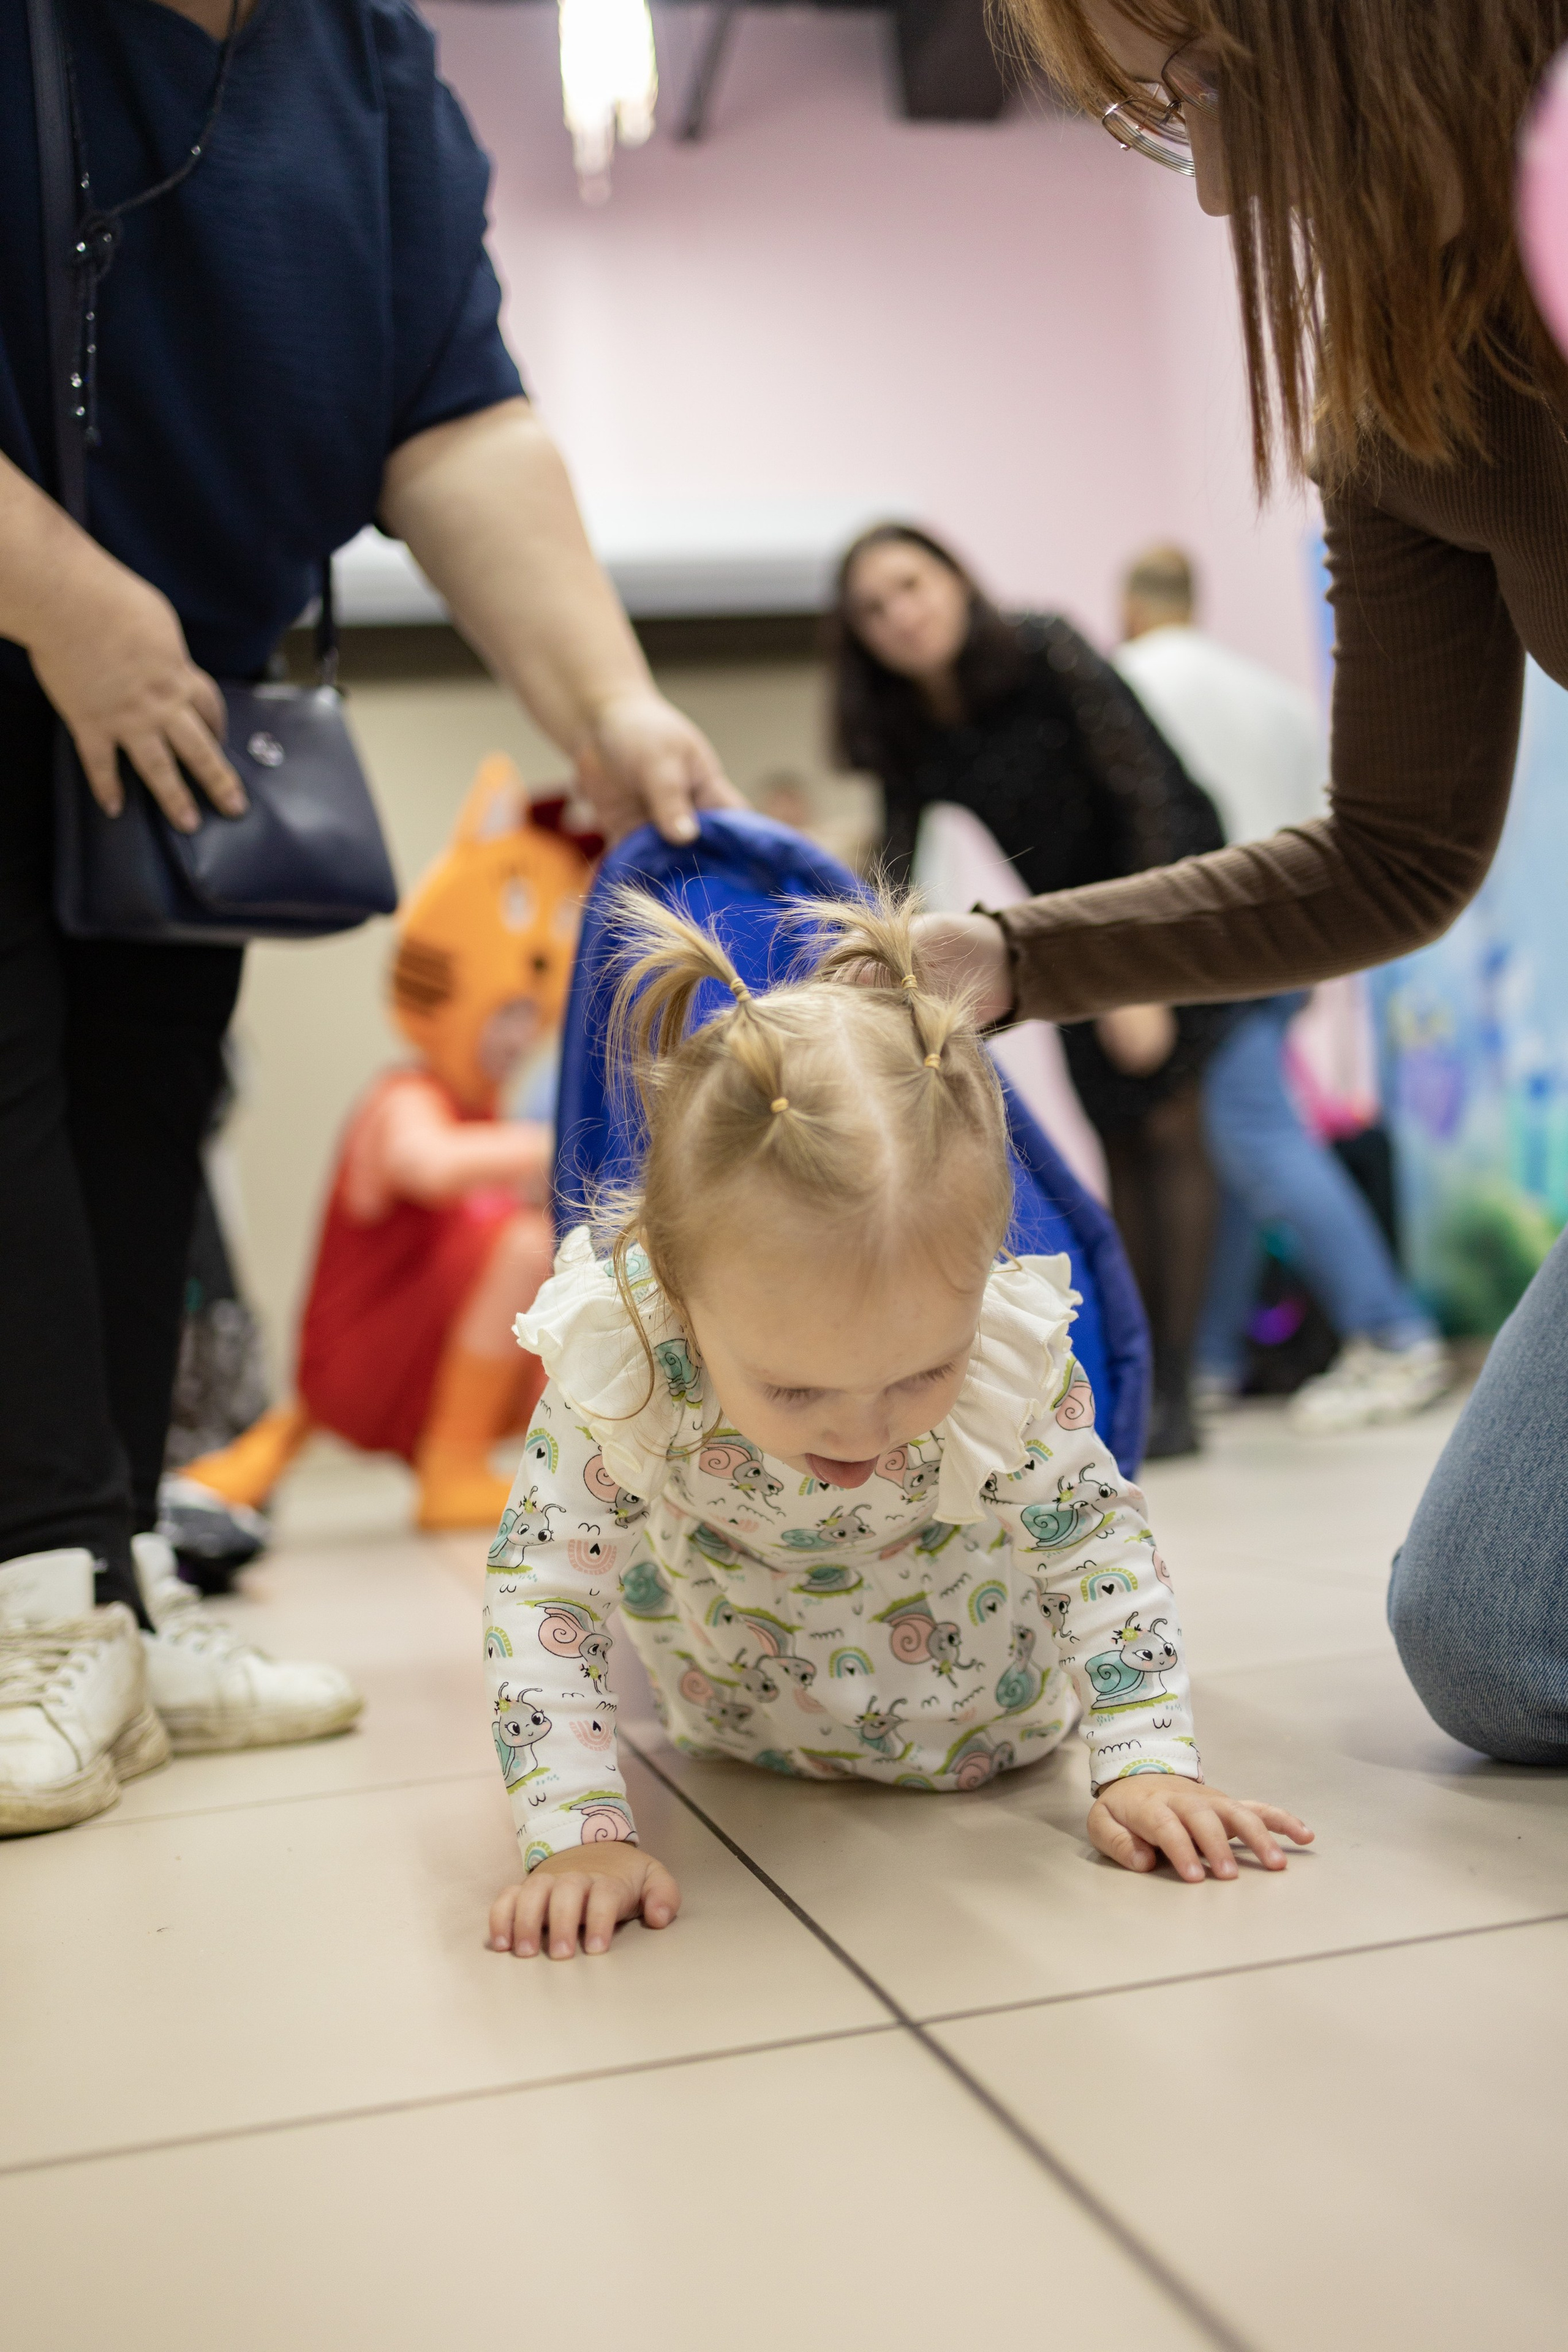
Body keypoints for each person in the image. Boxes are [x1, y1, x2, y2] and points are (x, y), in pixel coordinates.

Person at [0, 0, 737, 1836]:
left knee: (140, 1108)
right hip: (53, 627)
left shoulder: (369, 65)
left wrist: (610, 704)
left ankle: (105, 1587)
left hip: (183, 689)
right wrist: (60, 598)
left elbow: (454, 418)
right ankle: (24, 1607)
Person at [911, 0, 1568, 1765]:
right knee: (1496, 1640)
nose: (1207, 184)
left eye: (1200, 88)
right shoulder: (1408, 388)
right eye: (1150, 120)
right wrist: (1009, 956)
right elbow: (1397, 849)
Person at [481, 888, 1310, 1959]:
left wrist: (1148, 1762)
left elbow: (1099, 1550)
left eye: (925, 1372)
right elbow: (546, 1582)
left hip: (994, 1728)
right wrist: (575, 1837)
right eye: (794, 1391)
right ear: (681, 1294)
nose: (864, 1432)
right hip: (731, 1730)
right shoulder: (631, 1349)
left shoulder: (1005, 1347)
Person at [829, 521, 1231, 1458]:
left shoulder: (1044, 647)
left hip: (1169, 903)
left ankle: (1179, 1389)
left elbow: (1149, 796)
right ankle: (1144, 1382)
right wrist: (869, 969)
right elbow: (897, 860)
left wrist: (1146, 972)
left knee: (1171, 1128)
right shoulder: (907, 721)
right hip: (1058, 940)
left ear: (957, 581)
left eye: (912, 586)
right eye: (874, 610)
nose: (901, 616)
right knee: (1119, 1143)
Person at [1114, 542, 1450, 1433]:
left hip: (1195, 950)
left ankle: (1393, 1334)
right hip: (1289, 946)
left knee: (1253, 1135)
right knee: (1229, 1144)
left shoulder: (1122, 684)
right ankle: (1211, 1358)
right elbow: (1329, 830)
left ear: (1132, 606)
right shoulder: (1277, 698)